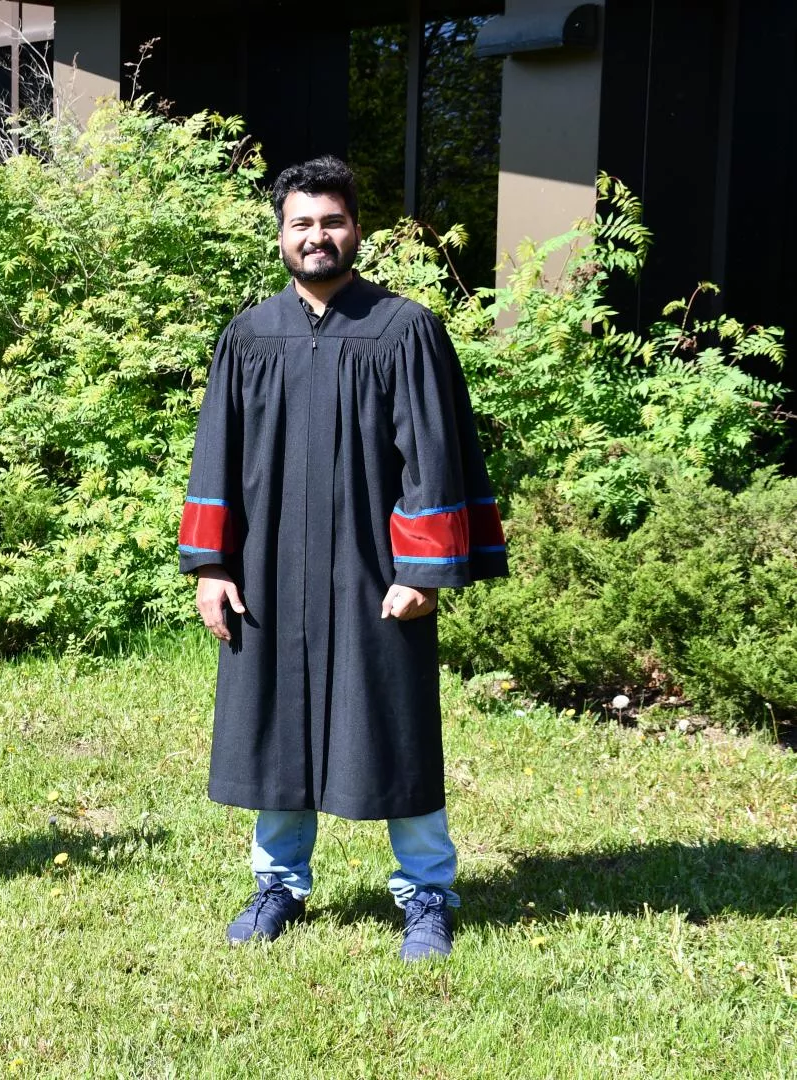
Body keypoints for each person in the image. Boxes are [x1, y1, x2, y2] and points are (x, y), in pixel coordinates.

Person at [178, 157, 506, 961]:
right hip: (269, 574)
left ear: (356, 228)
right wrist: (213, 568)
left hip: (373, 573)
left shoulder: (403, 329)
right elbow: (216, 456)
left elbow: (433, 457)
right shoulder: (249, 337)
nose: (317, 236)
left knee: (395, 727)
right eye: (302, 223)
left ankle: (426, 892)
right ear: (281, 234)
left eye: (331, 221)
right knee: (274, 726)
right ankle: (278, 885)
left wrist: (421, 572)